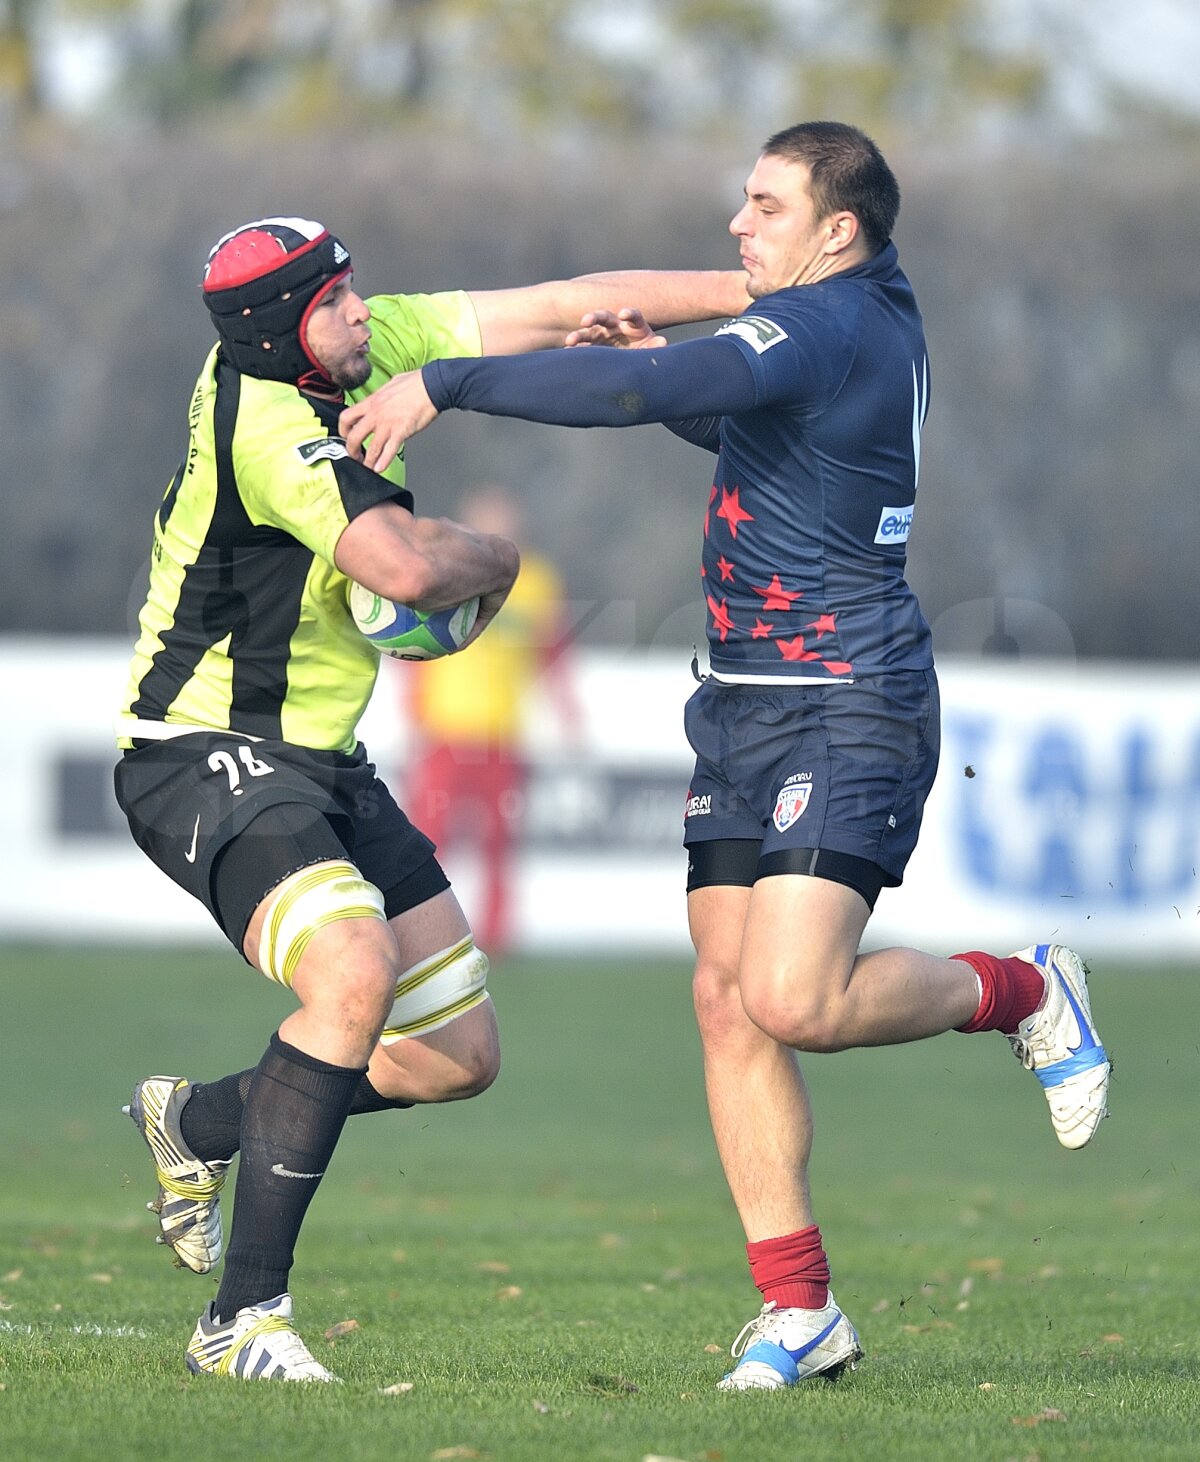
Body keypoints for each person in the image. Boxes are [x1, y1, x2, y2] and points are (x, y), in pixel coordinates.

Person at [337, 122, 1112, 1392]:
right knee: (722, 995)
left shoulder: (827, 323)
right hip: (744, 702)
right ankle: (799, 1309)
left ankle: (1026, 991)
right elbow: (746, 430)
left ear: (837, 229)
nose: (738, 227)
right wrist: (670, 372)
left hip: (848, 697)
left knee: (794, 997)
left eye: (765, 206)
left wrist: (453, 383)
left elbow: (642, 395)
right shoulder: (847, 319)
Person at [114, 215, 750, 1382]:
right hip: (201, 750)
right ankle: (241, 1317)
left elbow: (568, 299)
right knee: (351, 974)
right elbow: (405, 569)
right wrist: (499, 564)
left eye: (356, 291)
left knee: (454, 1053)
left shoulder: (355, 341)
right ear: (277, 331)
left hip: (324, 757)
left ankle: (196, 1122)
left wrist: (758, 286)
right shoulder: (264, 421)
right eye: (335, 301)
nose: (364, 312)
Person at [400, 483, 579, 958]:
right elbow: (411, 642)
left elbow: (551, 651)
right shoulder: (445, 571)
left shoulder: (537, 581)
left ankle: (496, 940)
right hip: (446, 732)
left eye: (505, 513)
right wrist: (414, 708)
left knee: (499, 845)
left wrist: (568, 712)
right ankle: (423, 934)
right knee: (429, 841)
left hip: (503, 735)